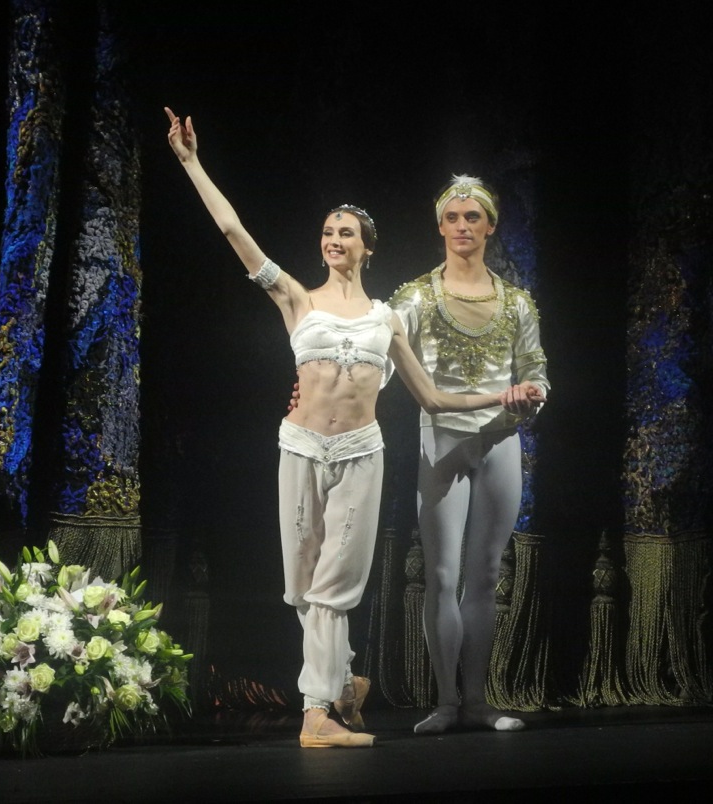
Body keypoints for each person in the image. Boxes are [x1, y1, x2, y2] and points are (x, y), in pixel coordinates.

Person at [164, 108, 533, 748]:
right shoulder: (297, 299)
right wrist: (192, 162)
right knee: (303, 586)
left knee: (334, 585)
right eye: (328, 232)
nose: (334, 240)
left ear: (367, 247)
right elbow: (232, 230)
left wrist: (503, 396)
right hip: (300, 446)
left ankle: (317, 716)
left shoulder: (386, 319)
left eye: (346, 233)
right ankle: (344, 685)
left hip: (361, 450)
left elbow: (434, 397)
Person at [388, 174, 550, 733]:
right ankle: (445, 702)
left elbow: (535, 369)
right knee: (441, 572)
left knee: (484, 574)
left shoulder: (516, 302)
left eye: (473, 217)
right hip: (441, 440)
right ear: (440, 226)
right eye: (453, 218)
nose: (462, 226)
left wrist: (532, 395)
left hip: (501, 440)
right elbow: (378, 356)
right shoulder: (415, 297)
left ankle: (478, 700)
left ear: (490, 227)